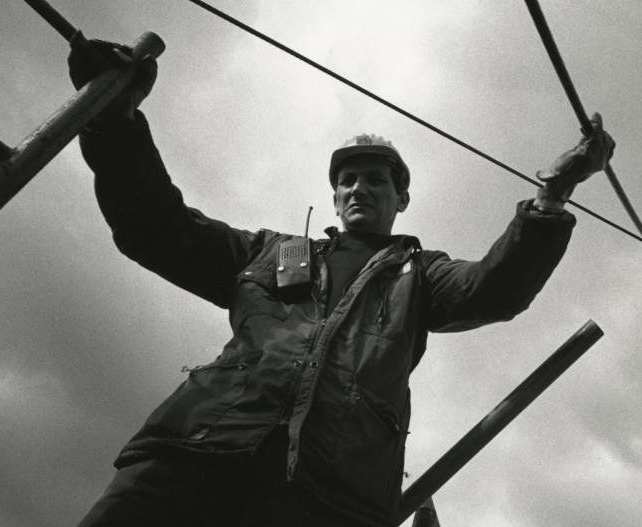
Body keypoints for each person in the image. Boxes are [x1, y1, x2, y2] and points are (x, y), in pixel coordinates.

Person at [69, 39, 613, 527]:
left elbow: (496, 289)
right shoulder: (269, 252)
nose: (358, 188)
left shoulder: (420, 276)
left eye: (376, 180)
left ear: (401, 199)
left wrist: (553, 194)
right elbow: (156, 228)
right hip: (197, 453)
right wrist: (114, 122)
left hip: (328, 497)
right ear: (333, 197)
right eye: (347, 181)